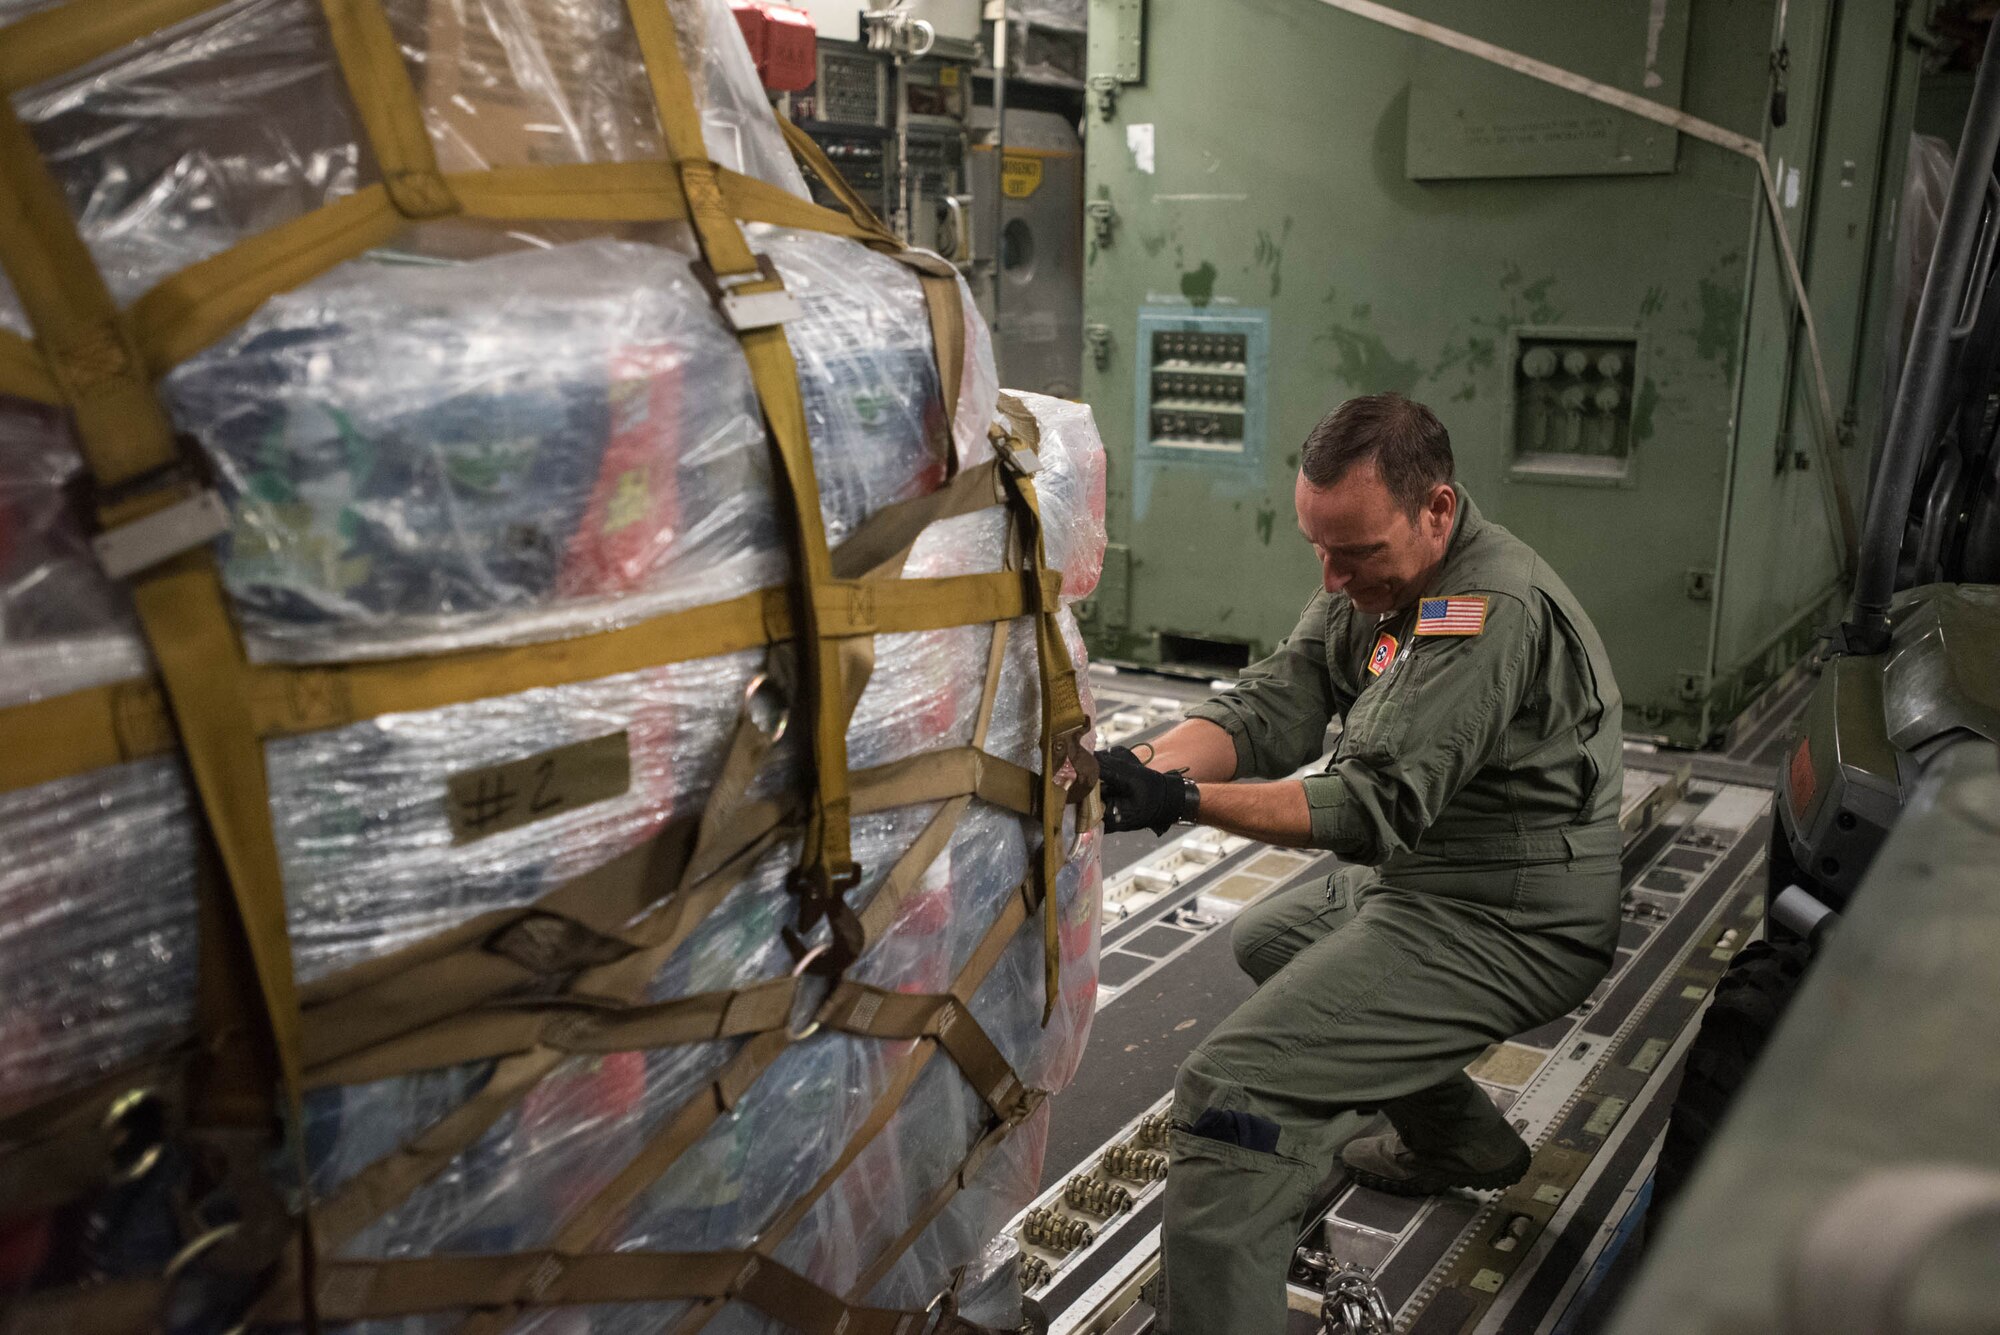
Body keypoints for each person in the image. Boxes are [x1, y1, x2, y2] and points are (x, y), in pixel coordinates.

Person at [1095, 393, 1623, 1332]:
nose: (1335, 578)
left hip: (1513, 915)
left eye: (1357, 553)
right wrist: (1140, 770)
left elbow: (1371, 805)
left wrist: (1180, 802)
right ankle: (1461, 1140)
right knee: (1270, 939)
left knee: (1232, 1090)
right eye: (1319, 550)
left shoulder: (1482, 611)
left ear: (1438, 509)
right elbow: (1279, 703)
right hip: (1434, 879)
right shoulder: (1384, 578)